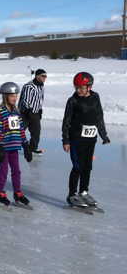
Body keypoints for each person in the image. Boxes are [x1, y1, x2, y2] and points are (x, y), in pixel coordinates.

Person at [62, 72, 110, 209]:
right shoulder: (73, 101)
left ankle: (83, 192)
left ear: (89, 87)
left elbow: (99, 117)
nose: (78, 90)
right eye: (76, 87)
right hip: (77, 138)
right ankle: (72, 195)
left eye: (81, 88)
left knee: (87, 167)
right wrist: (65, 140)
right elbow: (66, 121)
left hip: (91, 139)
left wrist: (103, 135)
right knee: (78, 166)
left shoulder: (95, 97)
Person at [0, 82, 32, 208]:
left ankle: (17, 192)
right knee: (3, 170)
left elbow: (21, 130)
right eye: (12, 96)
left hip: (14, 146)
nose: (14, 98)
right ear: (5, 96)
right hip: (3, 147)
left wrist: (26, 145)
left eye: (16, 96)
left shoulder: (16, 112)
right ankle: (0, 192)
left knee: (16, 171)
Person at [19, 69, 47, 156]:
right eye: (43, 76)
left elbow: (40, 99)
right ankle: (7, 145)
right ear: (37, 76)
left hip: (35, 113)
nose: (45, 78)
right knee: (19, 131)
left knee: (36, 132)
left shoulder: (41, 86)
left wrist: (40, 110)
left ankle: (33, 148)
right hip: (26, 112)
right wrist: (28, 110)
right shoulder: (29, 86)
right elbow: (25, 99)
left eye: (46, 76)